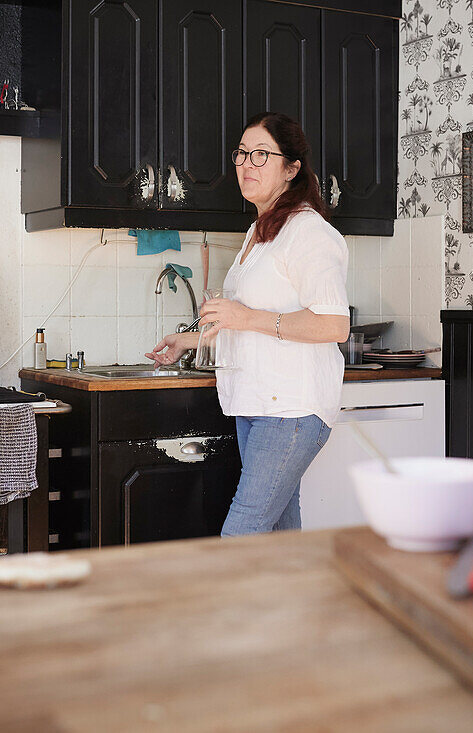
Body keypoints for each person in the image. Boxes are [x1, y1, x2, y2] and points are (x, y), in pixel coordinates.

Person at [145, 112, 350, 535]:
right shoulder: (258, 232)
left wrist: (244, 316)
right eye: (241, 154)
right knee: (279, 536)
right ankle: (300, 602)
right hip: (256, 405)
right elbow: (244, 322)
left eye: (261, 155)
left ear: (291, 169)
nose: (246, 164)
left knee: (241, 535)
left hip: (291, 408)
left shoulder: (309, 232)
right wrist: (189, 339)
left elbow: (333, 325)